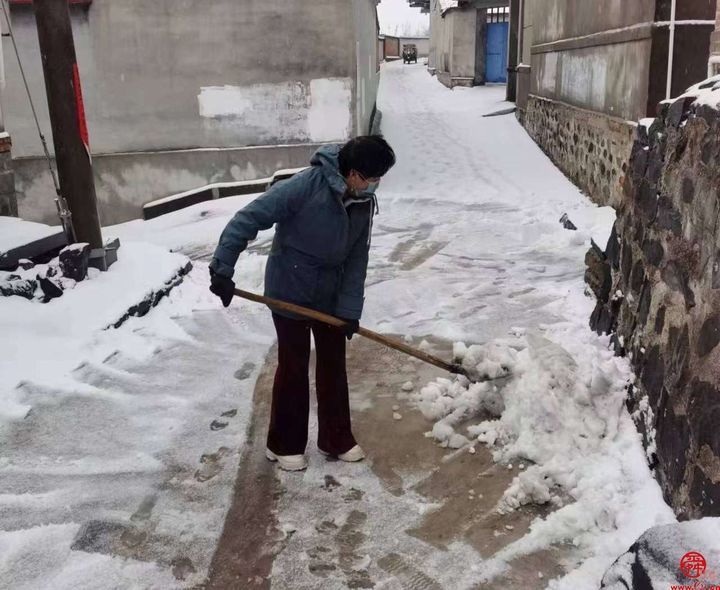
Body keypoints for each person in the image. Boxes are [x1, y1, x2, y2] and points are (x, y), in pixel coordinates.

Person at [208, 136, 396, 471]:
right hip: (290, 289)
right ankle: (282, 443)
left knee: (333, 365)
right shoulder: (303, 187)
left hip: (331, 293)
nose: (375, 185)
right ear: (353, 173)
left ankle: (335, 438)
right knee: (294, 365)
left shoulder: (363, 199)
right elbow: (247, 219)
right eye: (371, 178)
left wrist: (350, 311)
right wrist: (222, 269)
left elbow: (357, 258)